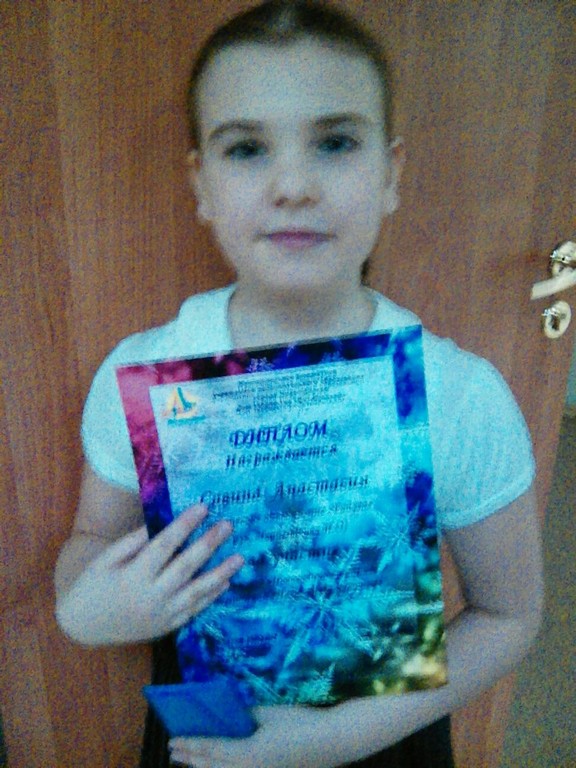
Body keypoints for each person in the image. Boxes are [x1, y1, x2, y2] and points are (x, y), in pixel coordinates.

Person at [54, 2, 544, 766]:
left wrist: (338, 738)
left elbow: (510, 615)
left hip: (384, 737)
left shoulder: (458, 396)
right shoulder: (143, 376)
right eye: (247, 148)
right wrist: (85, 608)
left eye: (336, 142)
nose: (293, 184)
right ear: (202, 184)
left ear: (391, 174)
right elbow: (90, 539)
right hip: (205, 733)